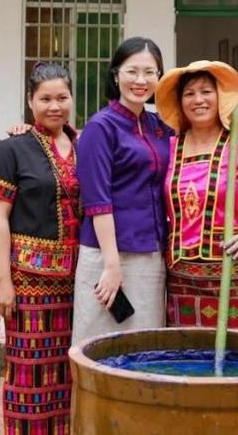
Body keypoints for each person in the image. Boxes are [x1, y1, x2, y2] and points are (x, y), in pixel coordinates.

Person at [0, 63, 79, 434]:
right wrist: (3, 280)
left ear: (72, 98)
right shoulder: (14, 149)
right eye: (45, 99)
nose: (54, 106)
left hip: (77, 283)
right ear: (30, 101)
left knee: (70, 375)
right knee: (28, 378)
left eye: (62, 97)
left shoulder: (85, 142)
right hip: (29, 284)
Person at [156, 60, 238, 328]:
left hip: (231, 273)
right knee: (184, 356)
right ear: (180, 102)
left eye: (206, 91)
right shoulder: (169, 147)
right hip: (179, 276)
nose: (198, 99)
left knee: (230, 358)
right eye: (189, 93)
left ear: (221, 97)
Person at [72, 37, 172, 344]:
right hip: (107, 256)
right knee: (98, 351)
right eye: (132, 71)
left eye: (150, 72)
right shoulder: (100, 127)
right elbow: (97, 202)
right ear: (116, 76)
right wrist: (112, 266)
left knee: (145, 349)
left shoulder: (159, 126)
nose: (140, 80)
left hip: (150, 254)